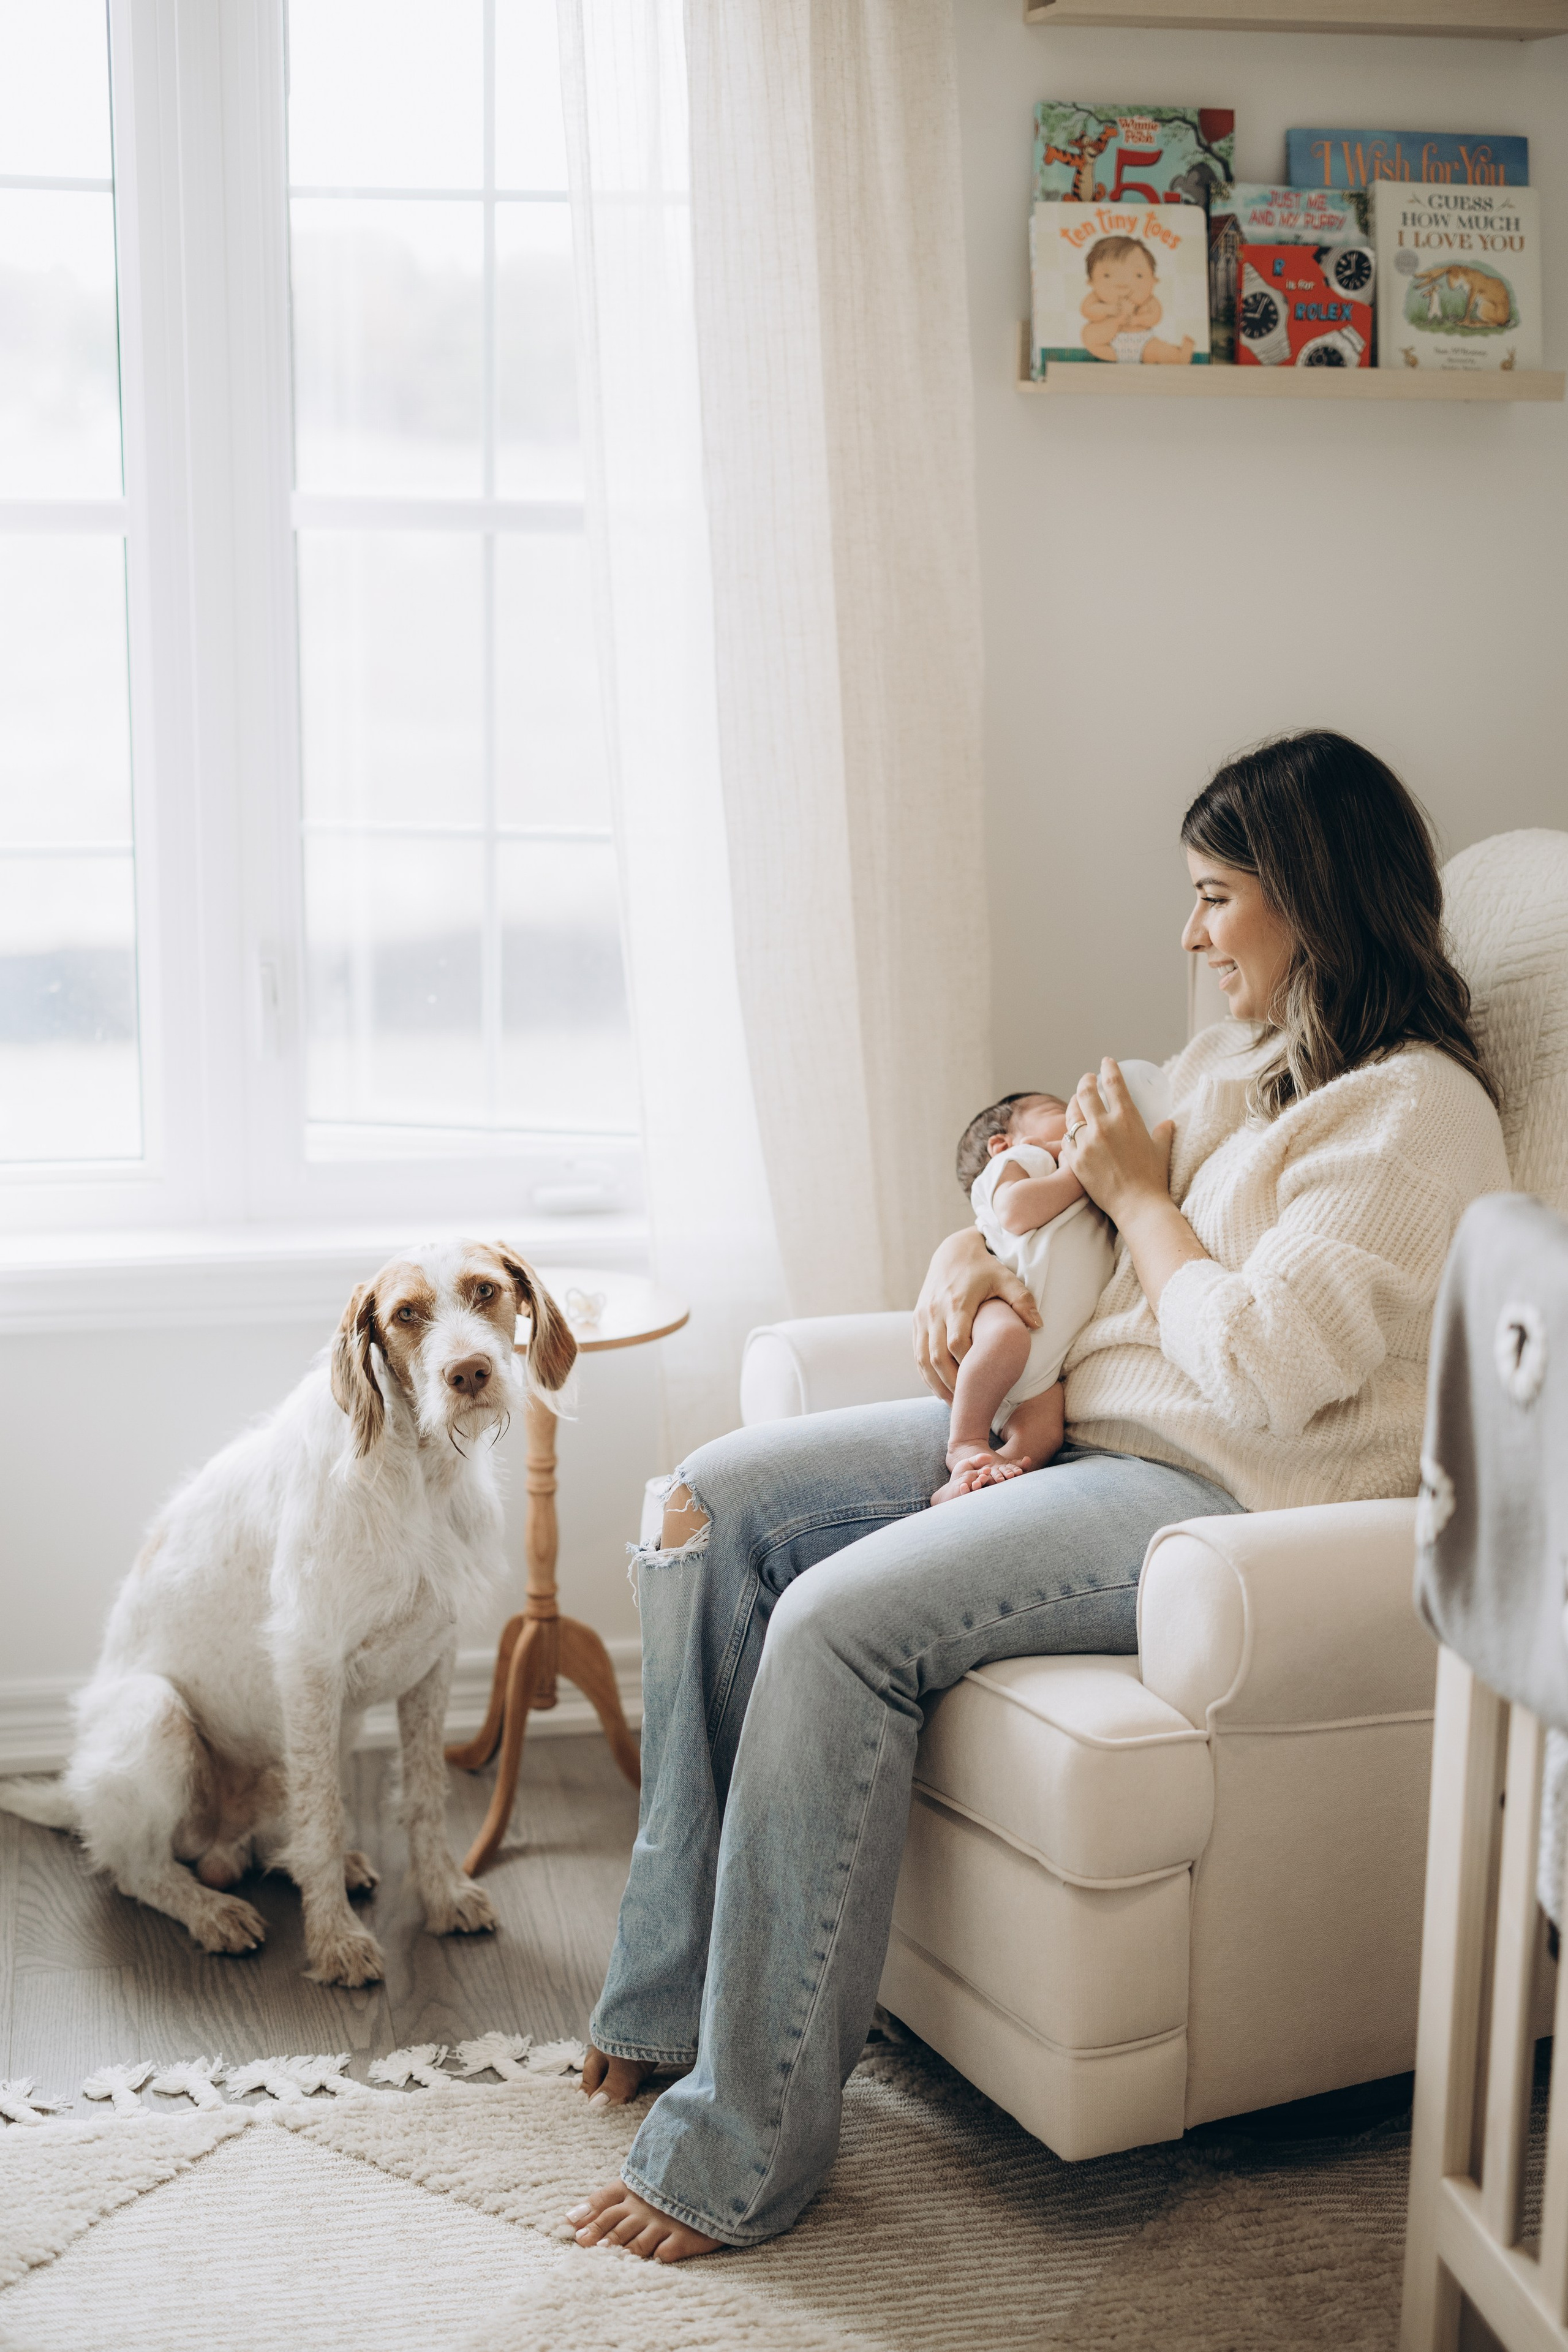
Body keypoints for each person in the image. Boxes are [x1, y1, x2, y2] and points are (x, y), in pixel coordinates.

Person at [565, 729, 1509, 2263]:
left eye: (1214, 899)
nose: (1188, 936)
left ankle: (736, 2150)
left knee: (833, 1621)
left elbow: (1264, 1364)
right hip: (1087, 1433)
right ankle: (669, 1996)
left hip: (1210, 1496)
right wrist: (969, 1254)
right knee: (707, 1504)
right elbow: (1044, 1174)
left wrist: (1141, 1197)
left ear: (1311, 900)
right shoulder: (1236, 1069)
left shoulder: (1411, 1120)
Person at [931, 1089, 1114, 1504]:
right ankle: (966, 1442)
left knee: (1045, 1431)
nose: (1073, 1114)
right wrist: (1075, 1170)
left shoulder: (1076, 1180)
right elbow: (1015, 1211)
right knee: (1005, 1338)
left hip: (1044, 1370)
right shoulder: (1023, 1162)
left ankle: (980, 1478)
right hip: (1003, 1307)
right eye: (1056, 1111)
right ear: (1003, 1142)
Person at [1079, 234, 1195, 365]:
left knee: (1157, 351)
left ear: (1153, 280)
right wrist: (1110, 310)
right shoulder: (1095, 297)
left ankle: (1178, 357)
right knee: (1089, 334)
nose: (1122, 285)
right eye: (1107, 276)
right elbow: (1087, 311)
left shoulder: (1149, 300)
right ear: (1091, 282)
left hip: (1143, 342)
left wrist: (1137, 320)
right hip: (1108, 345)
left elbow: (1155, 316)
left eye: (1138, 276)